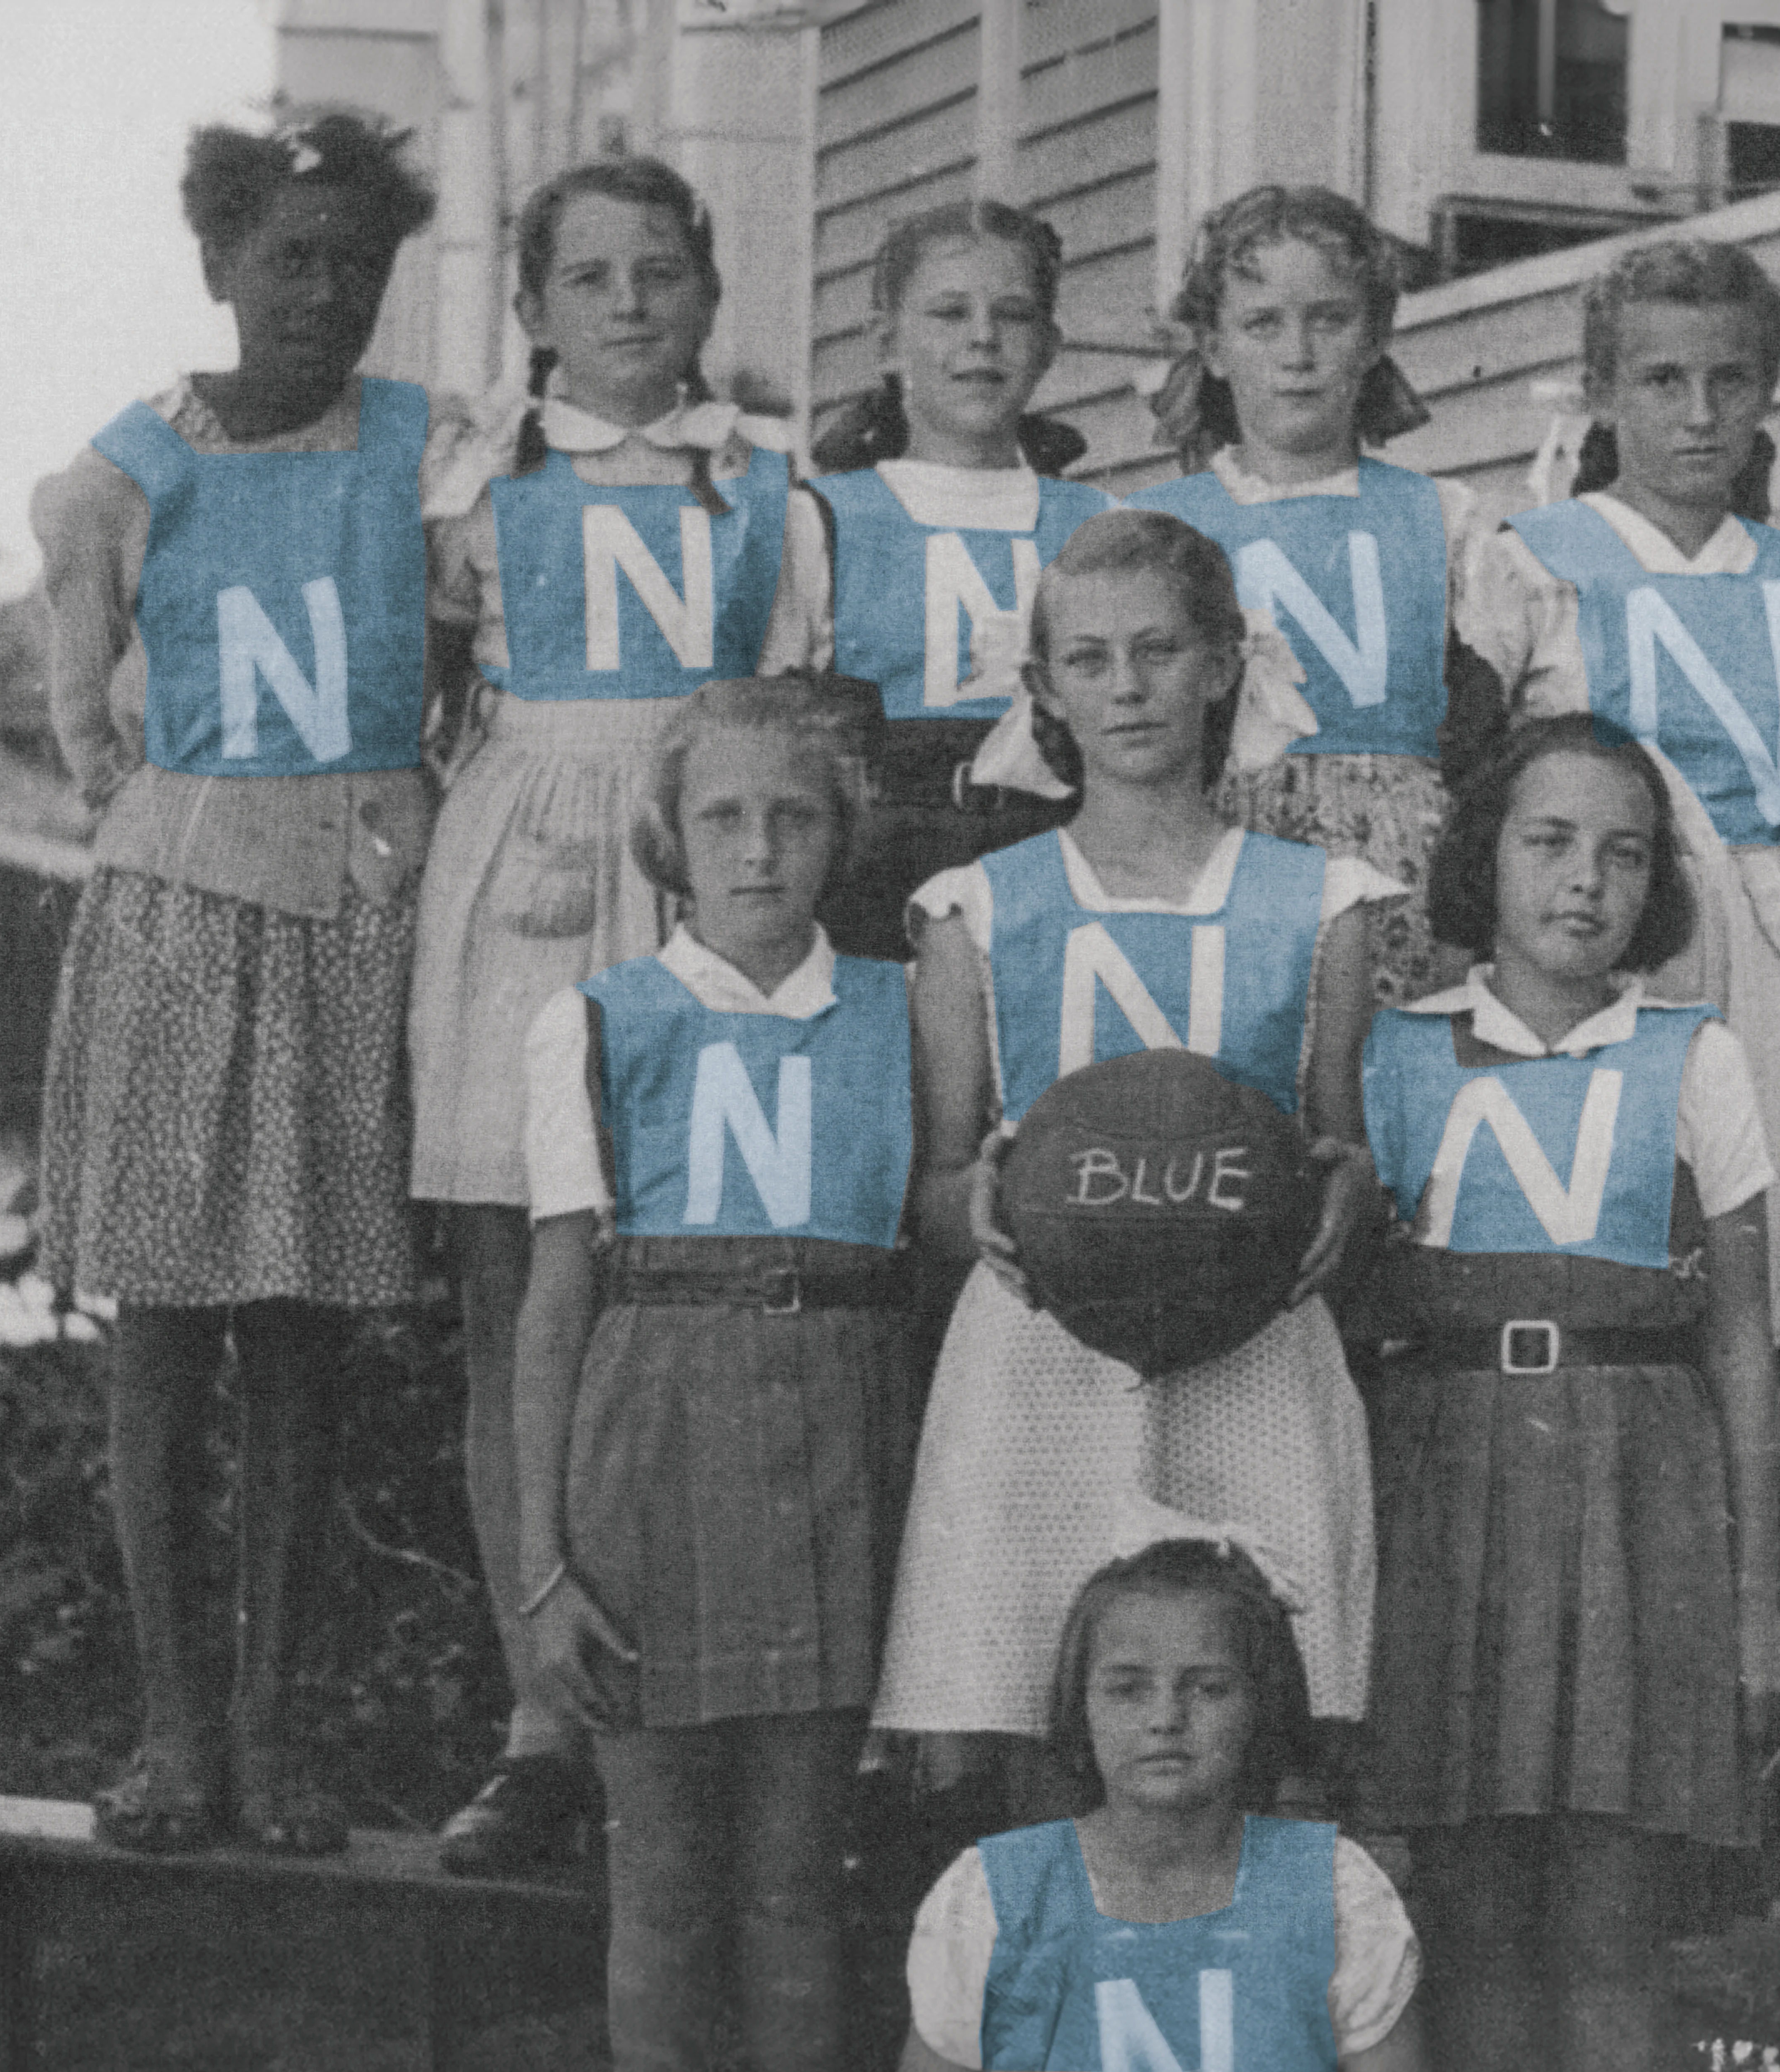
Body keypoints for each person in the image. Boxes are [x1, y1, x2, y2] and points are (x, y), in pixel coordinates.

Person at [33, 108, 467, 1856]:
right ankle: (174, 1736)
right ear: (218, 263)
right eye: (292, 258)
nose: (327, 292)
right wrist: (195, 838)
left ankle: (279, 1737)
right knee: (164, 1335)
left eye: (359, 264)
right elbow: (87, 729)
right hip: (183, 915)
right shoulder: (128, 472)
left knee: (301, 1342)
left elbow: (464, 654)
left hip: (356, 923)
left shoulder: (426, 455)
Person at [871, 508, 1392, 1809]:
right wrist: (974, 1207)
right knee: (1049, 1719)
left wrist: (1349, 1193)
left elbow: (1342, 1141)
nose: (1128, 687)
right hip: (1045, 1354)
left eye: (1159, 651)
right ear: (1043, 687)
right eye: (1090, 660)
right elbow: (939, 1181)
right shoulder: (977, 908)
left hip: (1251, 1343)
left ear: (1222, 664)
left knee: (1245, 1720)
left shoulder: (1316, 900)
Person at [408, 157, 802, 1874]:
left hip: (715, 865)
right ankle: (539, 1714)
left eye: (660, 272)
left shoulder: (767, 482)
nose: (629, 303)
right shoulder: (476, 481)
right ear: (536, 308)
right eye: (590, 277)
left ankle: (723, 1708)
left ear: (706, 295)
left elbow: (797, 704)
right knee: (522, 1295)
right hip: (525, 884)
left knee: (702, 1283)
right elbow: (427, 693)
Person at [1357, 715, 1780, 2068]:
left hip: (1635, 1498)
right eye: (1549, 843)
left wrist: (1754, 1594)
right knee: (1475, 1905)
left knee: (1614, 1912)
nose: (1584, 883)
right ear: (1484, 856)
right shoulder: (1396, 1055)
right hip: (1449, 1495)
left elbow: (1741, 1338)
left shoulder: (1697, 1056)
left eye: (1621, 854)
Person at [512, 674, 915, 2069]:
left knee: (800, 1886)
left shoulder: (902, 1011)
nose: (759, 849)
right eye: (724, 816)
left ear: (842, 835)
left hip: (836, 1456)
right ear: (669, 837)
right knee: (667, 1889)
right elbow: (558, 1302)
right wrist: (546, 1565)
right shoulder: (598, 1022)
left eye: (794, 817)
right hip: (654, 1456)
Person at [1498, 239, 1780, 1356]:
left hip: (1758, 955)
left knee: (1757, 1278)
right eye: (1661, 382)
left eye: (1729, 381)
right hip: (1590, 949)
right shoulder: (1535, 561)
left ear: (1766, 390)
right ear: (1603, 393)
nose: (1698, 415)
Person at [1129, 185, 1569, 1005]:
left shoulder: (1443, 520)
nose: (1297, 353)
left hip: (1409, 881)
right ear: (1215, 348)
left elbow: (1495, 744)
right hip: (1227, 869)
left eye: (1328, 320)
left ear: (1374, 338)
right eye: (1264, 323)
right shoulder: (1164, 529)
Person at [900, 1529, 1425, 2072]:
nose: (1165, 1719)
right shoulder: (997, 1896)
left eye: (1207, 1688)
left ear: (1260, 1705)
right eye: (1128, 1689)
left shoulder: (1332, 1891)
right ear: (1081, 1706)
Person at [769, 198, 1116, 960]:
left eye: (1014, 315)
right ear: (889, 345)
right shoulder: (823, 518)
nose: (983, 339)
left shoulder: (1097, 522)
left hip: (1058, 857)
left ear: (1051, 344)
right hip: (878, 874)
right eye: (950, 314)